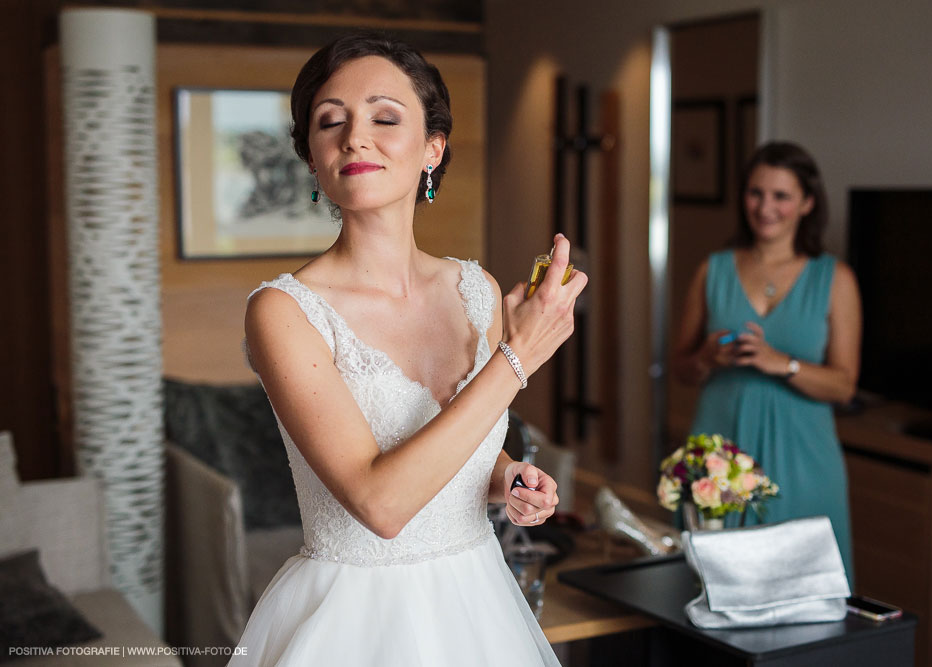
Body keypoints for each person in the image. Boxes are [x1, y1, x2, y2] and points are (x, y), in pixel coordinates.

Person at [231, 34, 586, 666]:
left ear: (432, 148)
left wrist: (505, 477)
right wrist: (519, 360)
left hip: (476, 599)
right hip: (353, 617)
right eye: (330, 121)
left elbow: (464, 439)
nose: (354, 137)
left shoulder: (475, 290)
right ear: (312, 158)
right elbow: (381, 505)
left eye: (384, 118)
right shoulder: (284, 312)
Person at [672, 141, 861, 583]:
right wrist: (707, 358)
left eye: (781, 196)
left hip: (804, 461)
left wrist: (785, 364)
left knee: (806, 592)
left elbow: (845, 385)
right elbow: (680, 368)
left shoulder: (836, 279)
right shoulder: (713, 270)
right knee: (711, 586)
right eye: (756, 193)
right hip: (720, 455)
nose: (766, 207)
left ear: (807, 203)